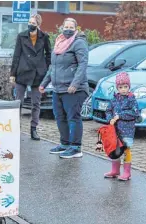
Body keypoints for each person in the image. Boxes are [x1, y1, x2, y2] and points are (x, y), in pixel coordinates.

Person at [39, 17, 89, 159]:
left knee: (73, 117)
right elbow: (52, 67)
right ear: (62, 28)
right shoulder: (59, 42)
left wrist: (75, 84)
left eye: (71, 27)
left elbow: (83, 65)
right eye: (65, 26)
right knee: (60, 117)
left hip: (73, 89)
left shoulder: (79, 43)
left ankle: (75, 147)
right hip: (58, 88)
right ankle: (65, 144)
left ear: (76, 29)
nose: (68, 29)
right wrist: (44, 83)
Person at [10, 14, 51, 141]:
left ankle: (33, 129)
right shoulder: (21, 36)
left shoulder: (44, 37)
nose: (30, 24)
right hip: (22, 71)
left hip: (38, 73)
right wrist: (12, 74)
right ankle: (16, 128)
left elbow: (49, 54)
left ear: (38, 24)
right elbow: (16, 55)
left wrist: (47, 69)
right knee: (19, 102)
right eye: (29, 22)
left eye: (33, 22)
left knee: (36, 103)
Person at [104, 72, 140, 180]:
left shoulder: (131, 99)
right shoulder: (114, 99)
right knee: (115, 149)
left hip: (127, 130)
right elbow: (108, 110)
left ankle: (127, 172)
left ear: (129, 87)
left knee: (126, 149)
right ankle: (115, 170)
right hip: (115, 130)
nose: (123, 89)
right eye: (120, 87)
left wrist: (120, 116)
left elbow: (135, 113)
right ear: (117, 88)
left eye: (126, 87)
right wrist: (110, 118)